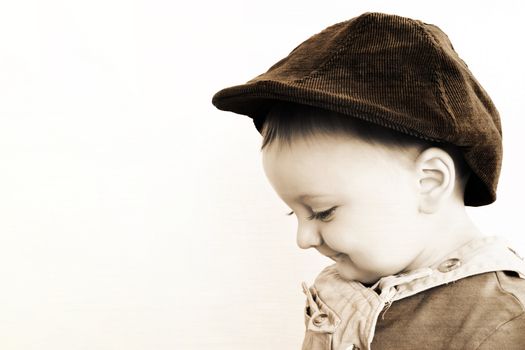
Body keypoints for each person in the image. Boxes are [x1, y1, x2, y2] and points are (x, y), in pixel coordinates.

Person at [211, 11, 525, 350]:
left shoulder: (501, 320)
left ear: (429, 182)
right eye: (295, 213)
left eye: (322, 211)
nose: (303, 239)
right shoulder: (339, 287)